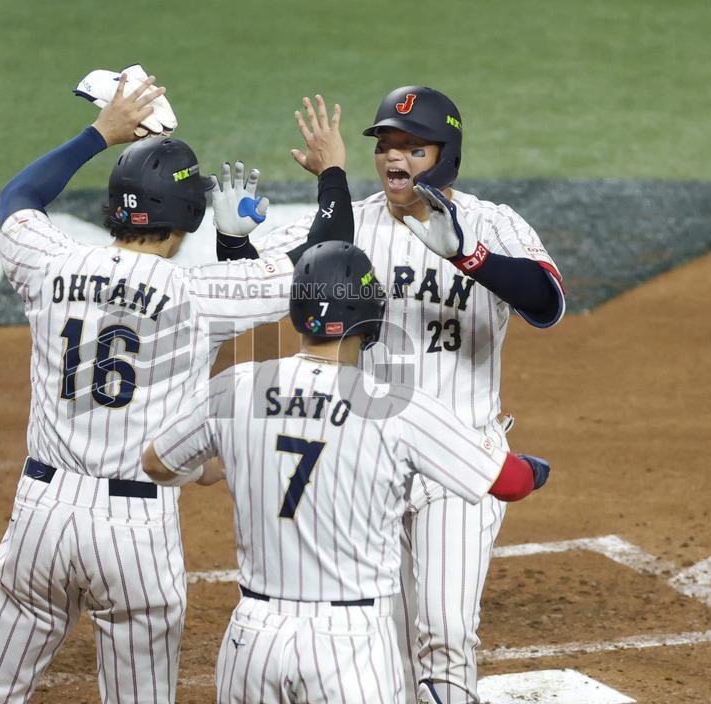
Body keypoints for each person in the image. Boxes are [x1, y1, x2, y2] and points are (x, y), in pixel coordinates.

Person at [0, 74, 351, 704]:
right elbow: (329, 250)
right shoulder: (200, 293)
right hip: (134, 527)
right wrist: (331, 174)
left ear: (114, 205)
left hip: (40, 513)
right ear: (190, 216)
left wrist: (99, 133)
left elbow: (20, 195)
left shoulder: (50, 262)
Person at [219, 85, 565, 704]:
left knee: (446, 631)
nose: (394, 158)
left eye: (414, 147)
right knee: (382, 641)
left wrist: (471, 256)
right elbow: (262, 287)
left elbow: (546, 303)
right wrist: (234, 243)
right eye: (386, 145)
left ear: (447, 154)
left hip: (459, 460)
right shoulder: (353, 222)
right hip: (369, 460)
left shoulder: (493, 223)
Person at [142, 237, 550, 704]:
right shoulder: (394, 405)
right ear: (370, 317)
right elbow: (511, 482)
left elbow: (157, 461)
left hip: (253, 638)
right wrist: (536, 469)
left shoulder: (236, 386)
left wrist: (218, 465)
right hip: (351, 646)